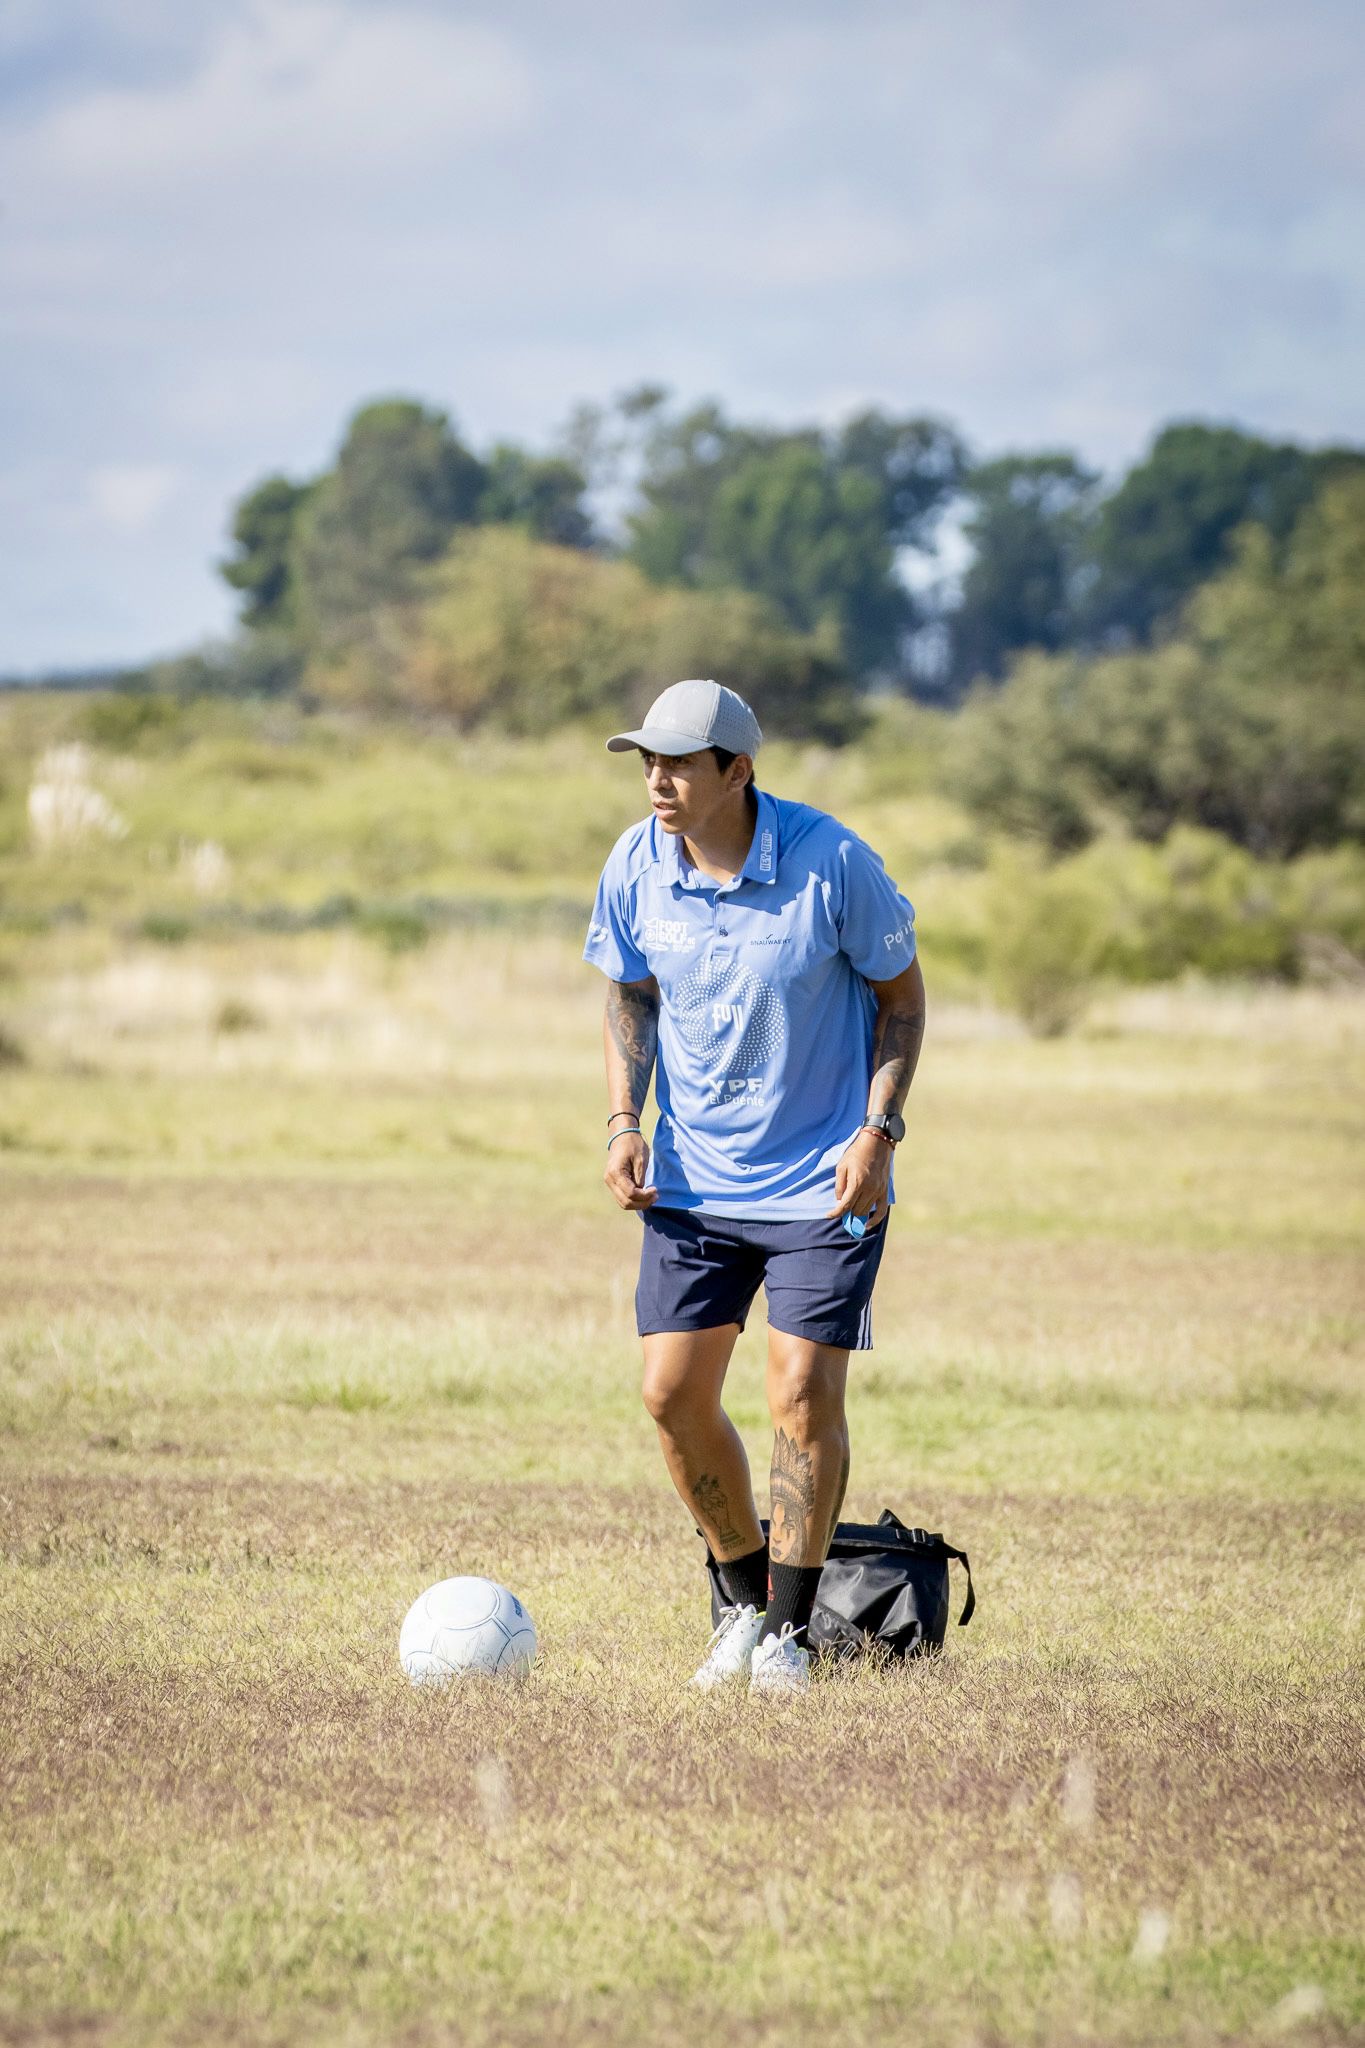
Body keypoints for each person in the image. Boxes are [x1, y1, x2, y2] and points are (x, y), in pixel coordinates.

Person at [583, 680, 924, 1696]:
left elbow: (902, 1002)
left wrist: (878, 1132)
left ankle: (789, 1635)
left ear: (738, 770)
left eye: (680, 763)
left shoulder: (833, 862)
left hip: (824, 1181)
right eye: (649, 761)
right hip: (692, 1182)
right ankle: (740, 1599)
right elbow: (629, 990)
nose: (658, 780)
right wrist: (623, 1120)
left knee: (800, 1396)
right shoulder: (635, 863)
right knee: (670, 1395)